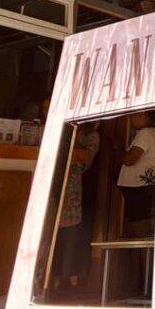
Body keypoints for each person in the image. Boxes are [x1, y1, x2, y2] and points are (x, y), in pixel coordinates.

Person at [55, 121, 99, 288]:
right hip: (52, 183)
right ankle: (47, 277)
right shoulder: (59, 128)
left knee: (70, 231)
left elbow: (85, 157)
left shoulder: (90, 135)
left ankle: (65, 277)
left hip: (71, 186)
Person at [117, 110, 155, 237]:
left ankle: (143, 255)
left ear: (144, 115)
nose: (131, 119)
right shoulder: (151, 133)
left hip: (139, 188)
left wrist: (119, 150)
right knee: (140, 224)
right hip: (141, 187)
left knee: (139, 226)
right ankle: (143, 254)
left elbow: (130, 160)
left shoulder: (146, 133)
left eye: (134, 115)